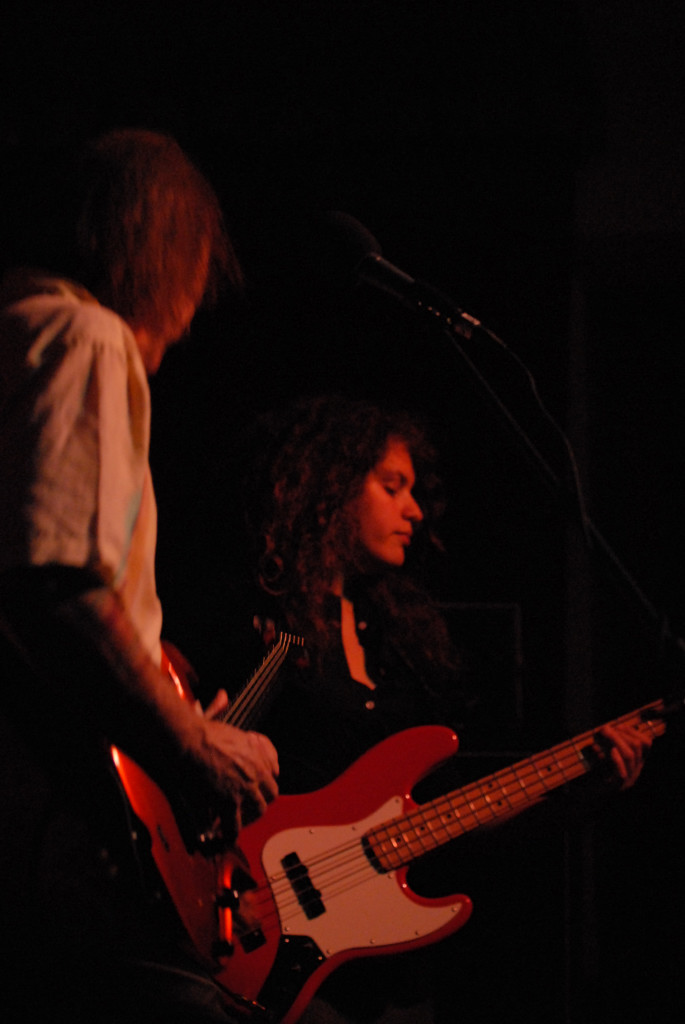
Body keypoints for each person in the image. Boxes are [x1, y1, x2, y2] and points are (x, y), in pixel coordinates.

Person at [240, 393, 652, 1024]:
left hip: (390, 980)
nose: (414, 510)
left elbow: (449, 818)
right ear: (332, 488)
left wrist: (577, 795)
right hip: (267, 948)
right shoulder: (265, 627)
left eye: (414, 491)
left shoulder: (401, 644)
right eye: (392, 487)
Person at [0, 128, 279, 1024]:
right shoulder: (83, 334)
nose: (193, 315)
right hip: (51, 814)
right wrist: (192, 745)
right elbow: (61, 584)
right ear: (163, 252)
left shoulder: (16, 327)